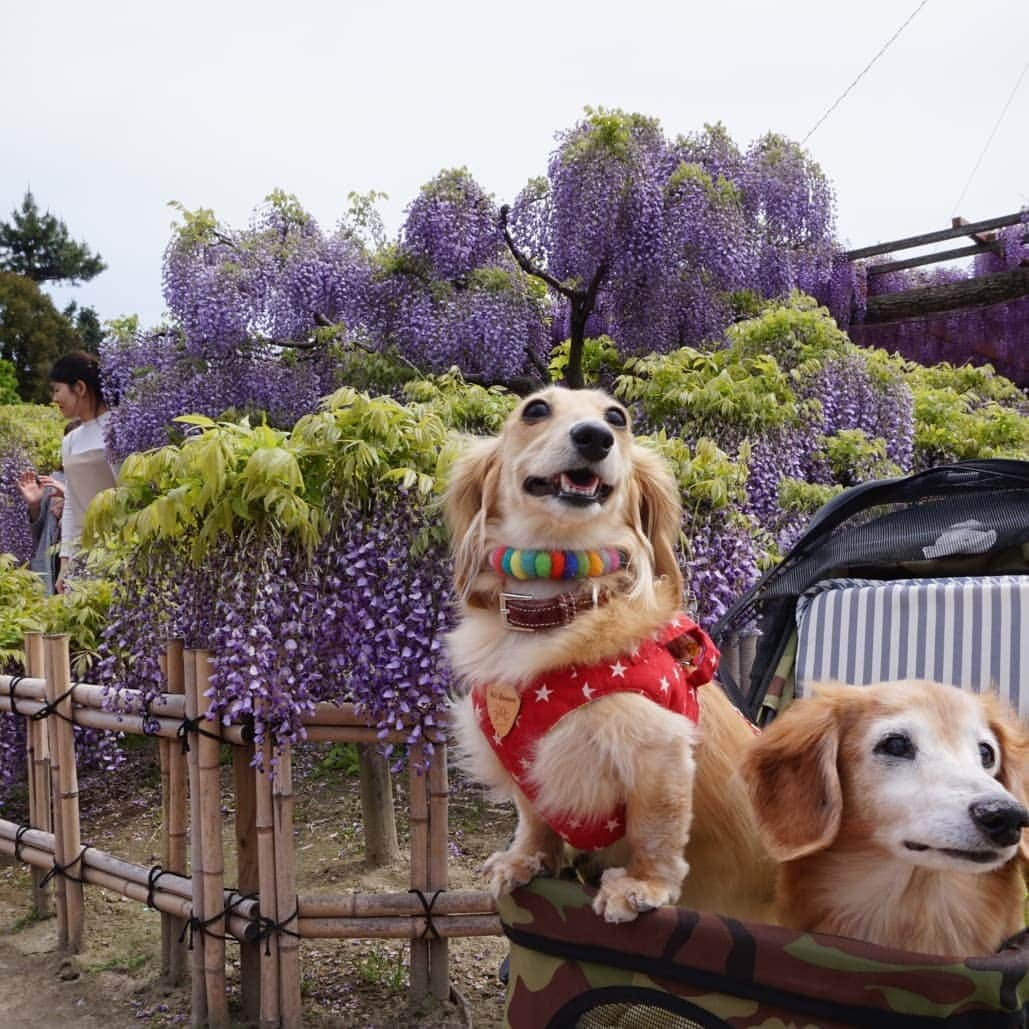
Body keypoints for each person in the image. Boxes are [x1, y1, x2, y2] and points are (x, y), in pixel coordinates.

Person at [49, 351, 118, 593]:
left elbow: (131, 497)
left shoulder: (118, 428)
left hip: (119, 552)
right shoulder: (71, 440)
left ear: (79, 387)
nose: (54, 398)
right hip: (83, 555)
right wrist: (66, 560)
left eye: (57, 390)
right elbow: (72, 504)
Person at [16, 469, 65, 594]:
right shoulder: (55, 479)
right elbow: (38, 532)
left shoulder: (99, 475)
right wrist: (34, 505)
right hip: (51, 567)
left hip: (80, 564)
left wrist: (69, 498)